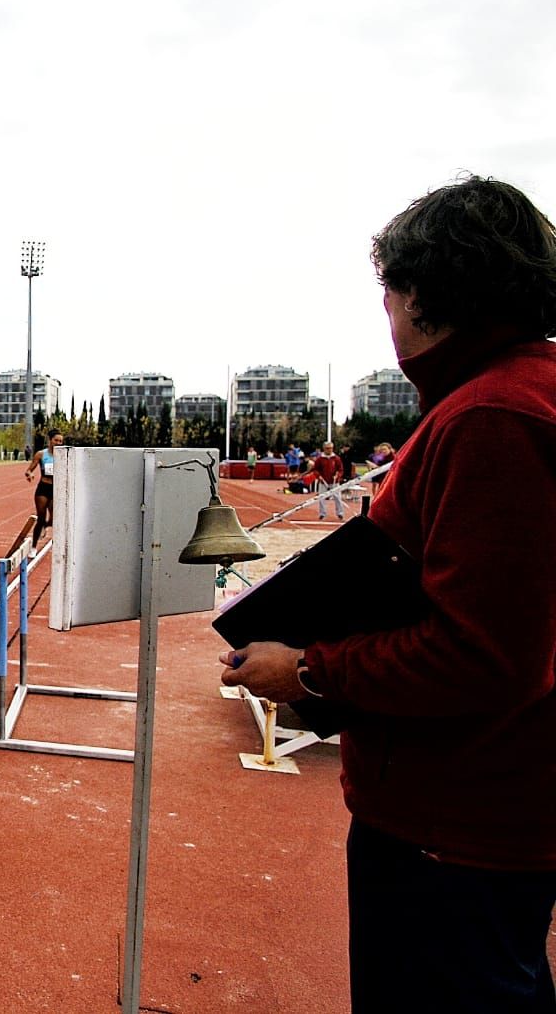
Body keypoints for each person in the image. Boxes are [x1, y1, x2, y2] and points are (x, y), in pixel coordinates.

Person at [222, 176, 556, 1012]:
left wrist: (308, 669)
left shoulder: (492, 418)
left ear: (422, 294)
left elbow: (486, 656)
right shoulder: (523, 394)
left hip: (455, 823)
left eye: (390, 292)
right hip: (495, 810)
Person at [23, 429, 66, 549]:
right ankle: (33, 547)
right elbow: (29, 470)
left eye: (60, 441)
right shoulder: (41, 454)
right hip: (43, 487)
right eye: (56, 440)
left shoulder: (64, 456)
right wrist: (29, 474)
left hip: (56, 489)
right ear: (50, 440)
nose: (58, 443)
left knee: (54, 519)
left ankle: (46, 526)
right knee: (41, 518)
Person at [311, 440, 345, 521]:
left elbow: (340, 469)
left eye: (330, 448)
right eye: (327, 448)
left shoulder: (336, 458)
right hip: (323, 482)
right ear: (324, 448)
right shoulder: (320, 459)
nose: (329, 450)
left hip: (334, 482)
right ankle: (322, 514)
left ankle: (340, 513)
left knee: (338, 498)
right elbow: (315, 469)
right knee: (321, 498)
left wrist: (338, 476)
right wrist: (318, 476)